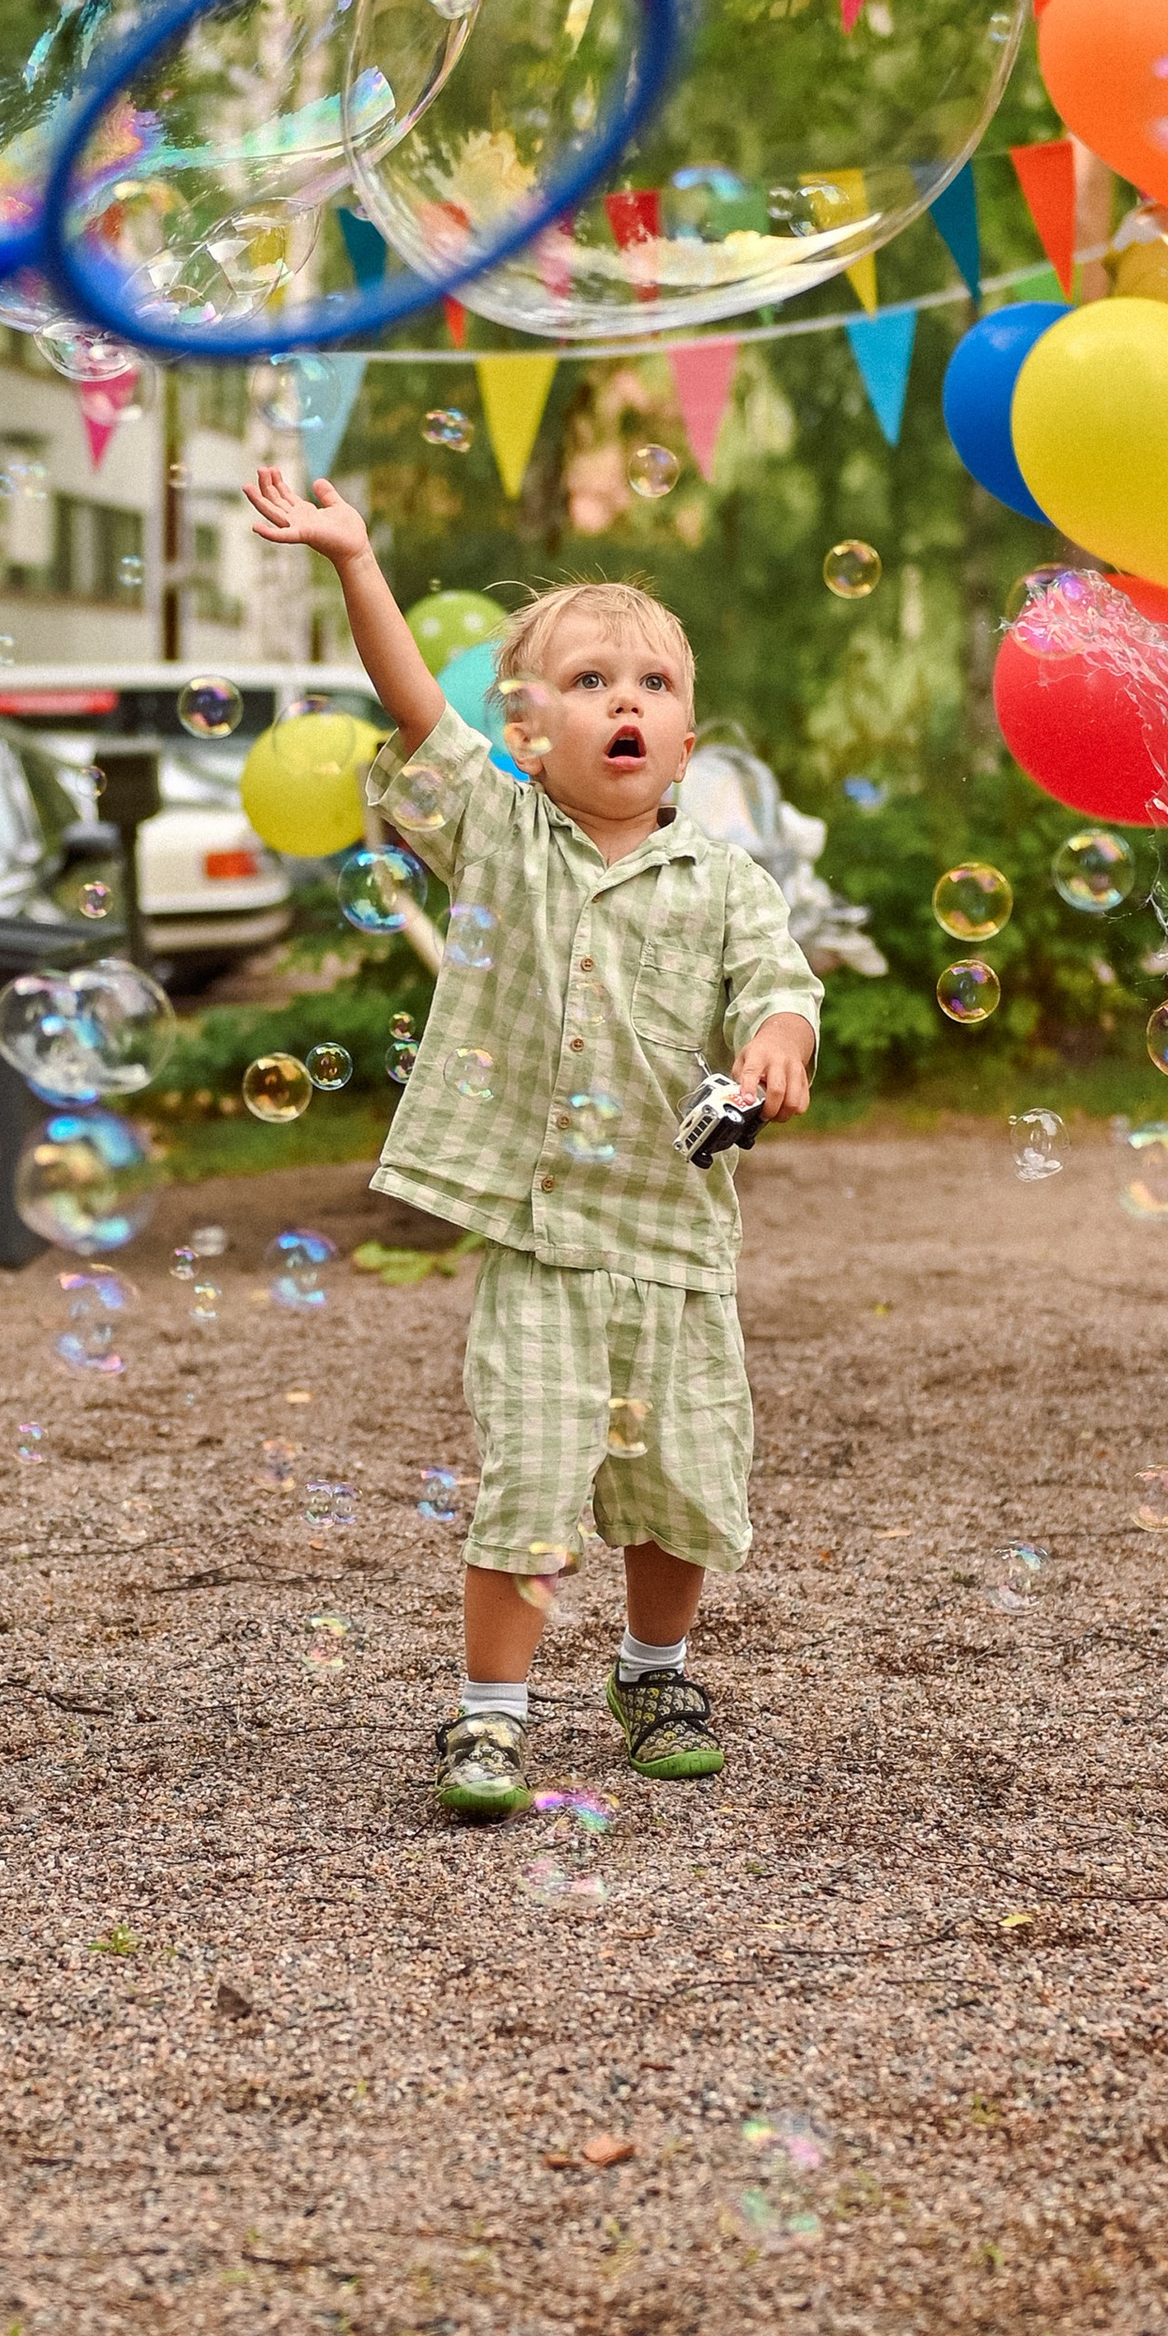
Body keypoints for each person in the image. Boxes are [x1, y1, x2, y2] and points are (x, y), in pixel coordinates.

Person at [244, 467, 821, 1819]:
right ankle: (490, 1715)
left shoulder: (727, 880)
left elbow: (777, 986)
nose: (627, 702)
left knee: (681, 1488)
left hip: (678, 1246)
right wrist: (354, 560)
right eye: (589, 680)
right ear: (530, 729)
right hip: (546, 1240)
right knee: (532, 1480)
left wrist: (782, 1040)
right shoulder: (500, 834)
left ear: (685, 743)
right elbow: (413, 710)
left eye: (655, 686)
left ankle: (654, 1668)